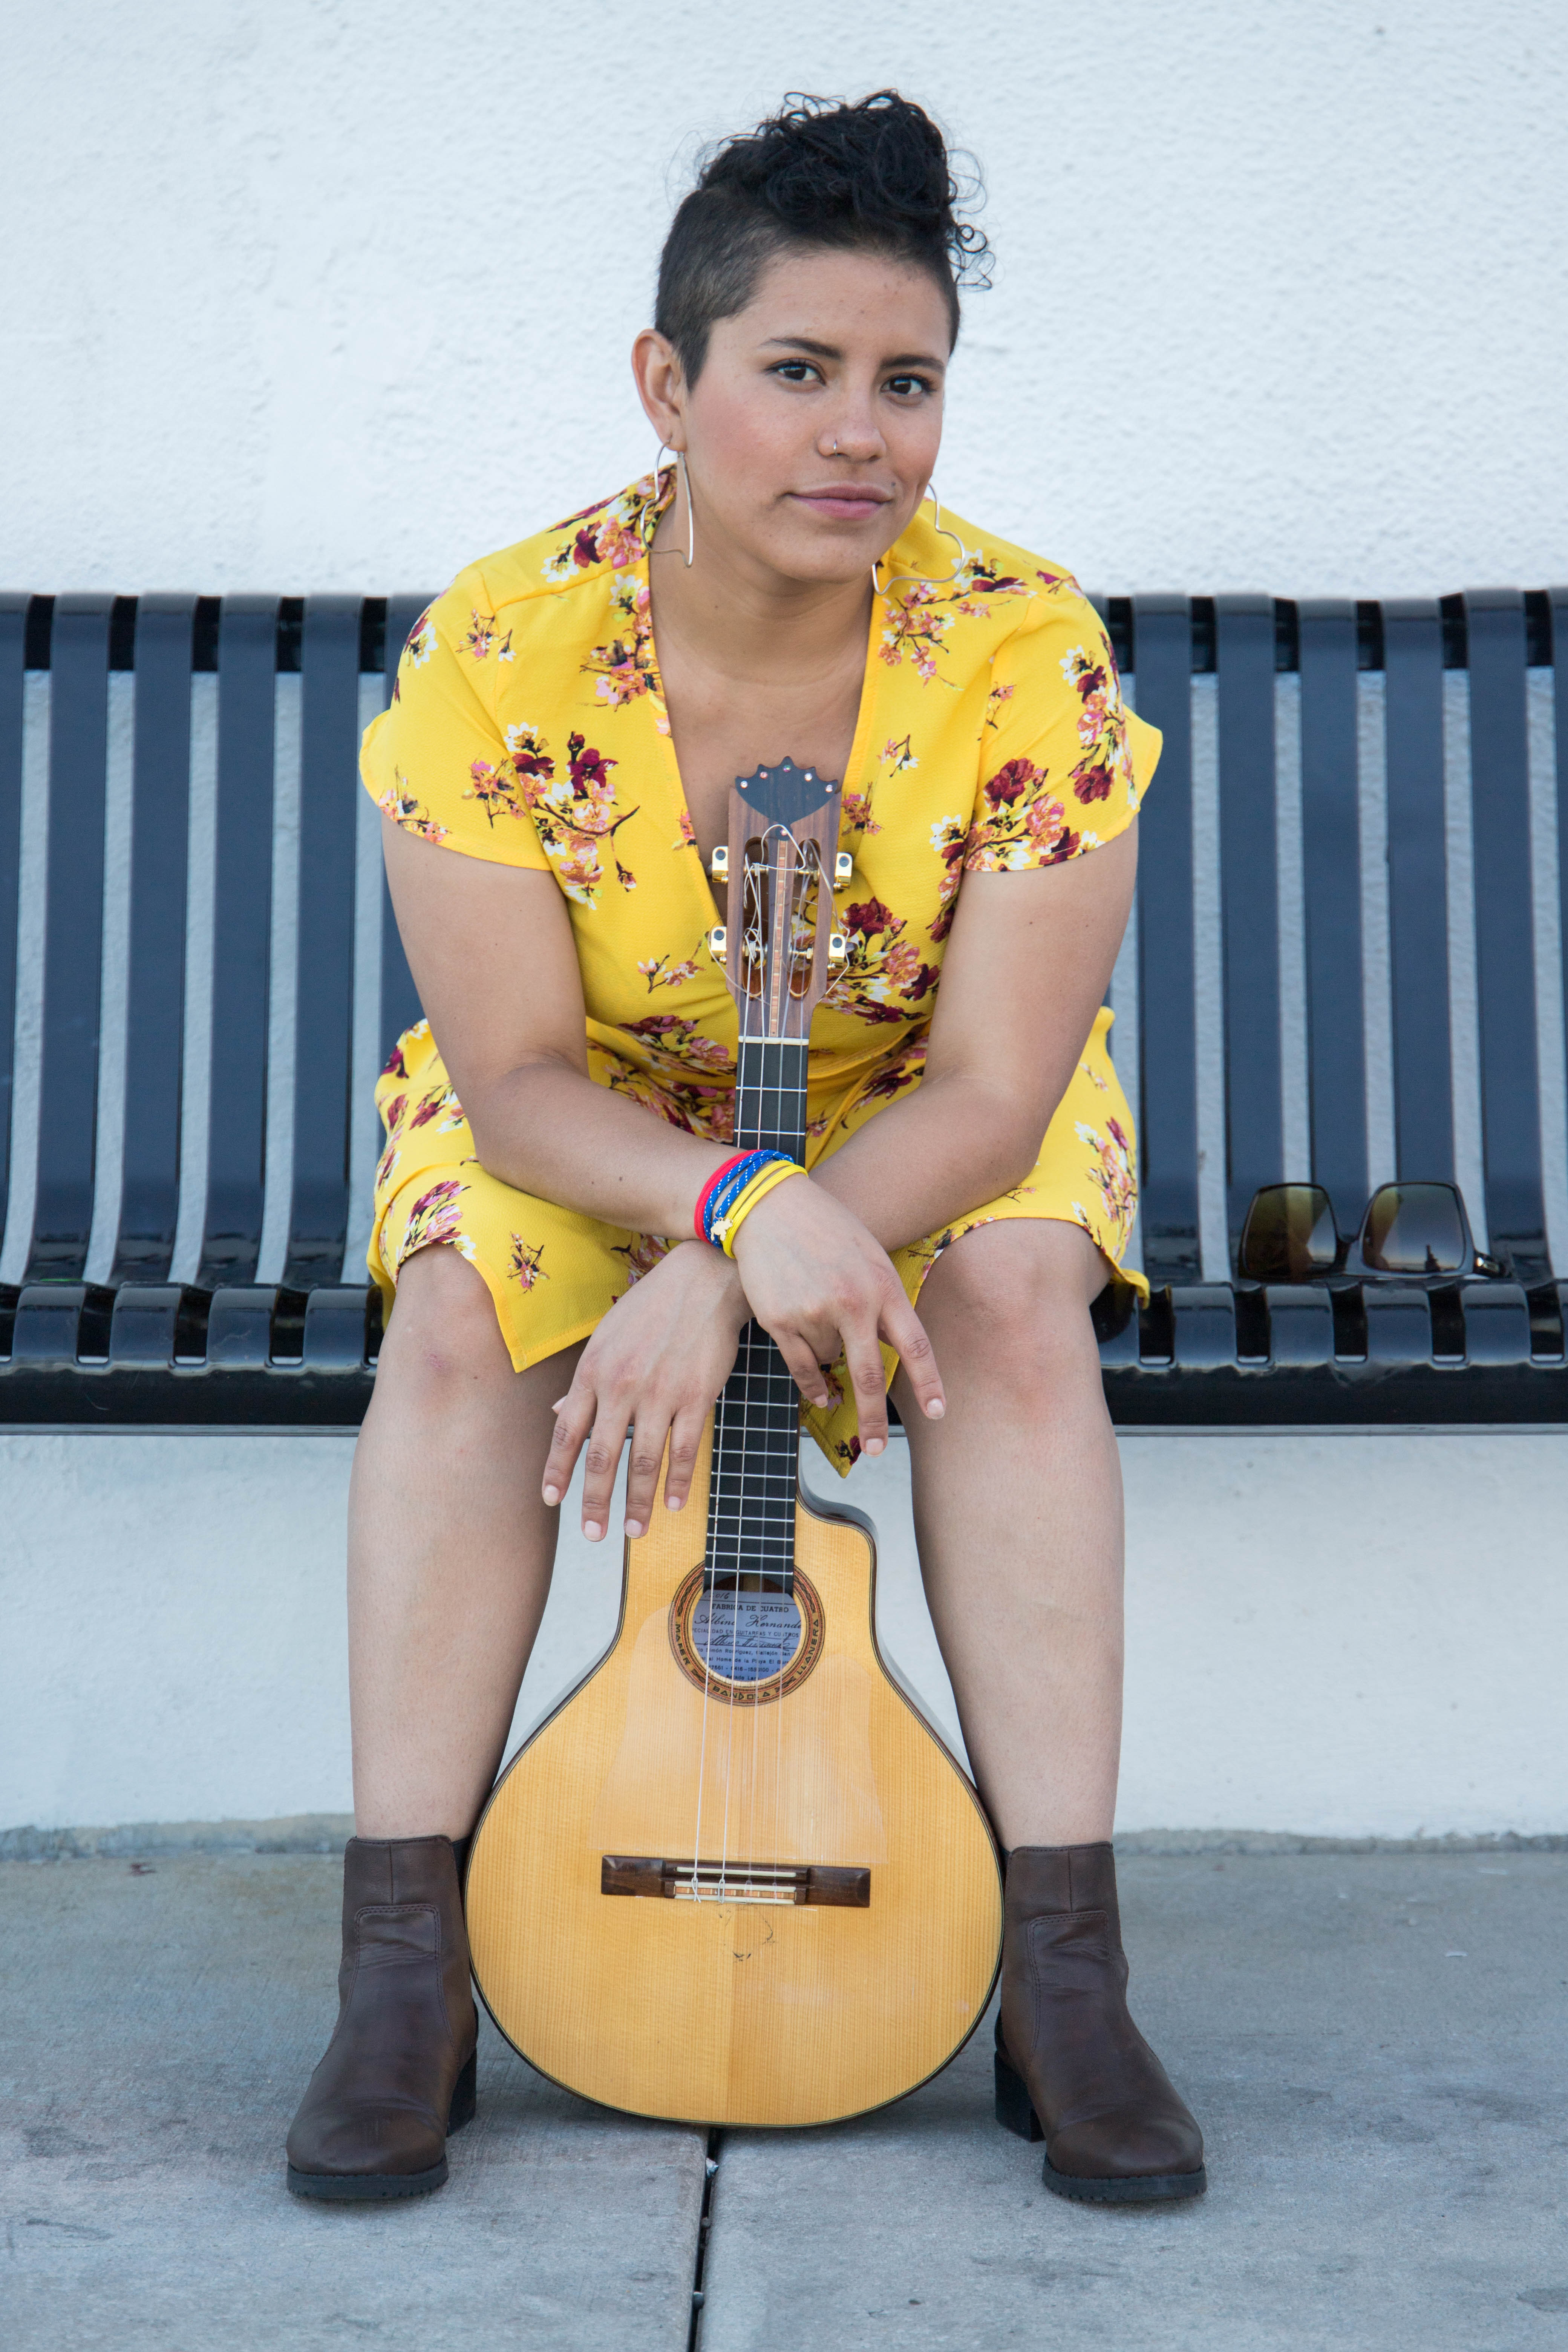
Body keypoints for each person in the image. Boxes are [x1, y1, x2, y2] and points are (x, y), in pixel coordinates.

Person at [285, 90, 1205, 2209]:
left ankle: (1065, 1977)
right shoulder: (501, 649)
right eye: (798, 371)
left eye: (908, 382)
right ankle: (403, 1973)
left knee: (1016, 1298)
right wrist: (720, 1203)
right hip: (600, 1112)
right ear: (666, 382)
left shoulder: (1027, 651)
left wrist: (736, 1256)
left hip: (914, 1102)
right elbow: (514, 1071)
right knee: (458, 1320)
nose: (858, 435)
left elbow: (998, 1092)